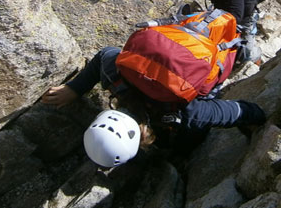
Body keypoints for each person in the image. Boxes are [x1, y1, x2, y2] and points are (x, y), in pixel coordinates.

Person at [42, 46, 266, 168]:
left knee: (188, 138)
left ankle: (242, 52)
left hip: (206, 63)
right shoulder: (117, 78)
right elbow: (105, 54)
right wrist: (74, 88)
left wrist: (263, 119)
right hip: (176, 56)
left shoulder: (190, 113)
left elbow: (238, 111)